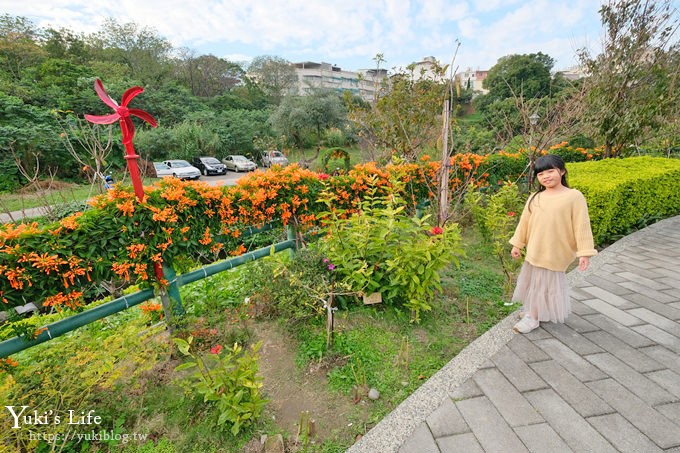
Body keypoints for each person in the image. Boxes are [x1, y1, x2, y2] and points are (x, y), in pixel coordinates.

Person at [509, 154, 597, 333]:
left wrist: (584, 252)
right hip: (535, 249)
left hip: (555, 250)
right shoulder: (535, 197)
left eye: (550, 171)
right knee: (535, 282)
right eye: (541, 174)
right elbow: (524, 223)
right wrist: (517, 244)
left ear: (562, 171)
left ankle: (532, 318)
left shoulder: (573, 196)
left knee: (543, 284)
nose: (546, 177)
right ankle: (535, 312)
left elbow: (582, 225)